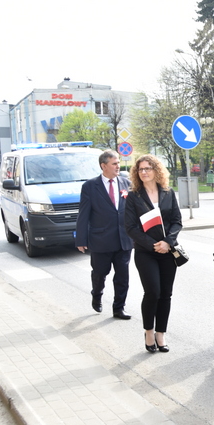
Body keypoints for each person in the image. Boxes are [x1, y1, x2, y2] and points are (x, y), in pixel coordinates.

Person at [124, 155, 182, 352]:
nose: (144, 172)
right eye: (140, 169)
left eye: (148, 168)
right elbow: (131, 228)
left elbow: (177, 221)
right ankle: (149, 331)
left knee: (166, 294)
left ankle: (161, 334)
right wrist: (153, 245)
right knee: (153, 292)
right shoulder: (134, 196)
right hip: (145, 252)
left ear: (157, 170)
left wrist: (167, 242)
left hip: (167, 250)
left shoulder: (168, 192)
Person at [76, 150, 134, 319]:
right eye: (114, 163)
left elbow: (133, 210)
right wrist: (81, 239)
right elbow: (83, 214)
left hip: (124, 239)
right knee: (100, 272)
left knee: (123, 276)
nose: (118, 166)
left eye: (118, 163)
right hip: (100, 240)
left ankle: (119, 308)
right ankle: (97, 294)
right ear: (104, 166)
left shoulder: (126, 183)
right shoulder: (90, 186)